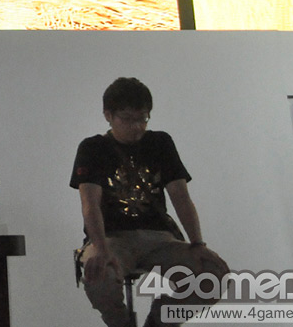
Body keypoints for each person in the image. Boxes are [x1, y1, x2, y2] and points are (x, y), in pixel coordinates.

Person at [70, 77, 229, 327]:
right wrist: (99, 247)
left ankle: (159, 322)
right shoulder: (93, 148)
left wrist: (197, 243)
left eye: (142, 118)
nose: (136, 127)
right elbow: (90, 204)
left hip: (159, 237)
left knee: (212, 275)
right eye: (127, 119)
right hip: (112, 237)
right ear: (108, 115)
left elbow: (181, 197)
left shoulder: (160, 143)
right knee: (99, 277)